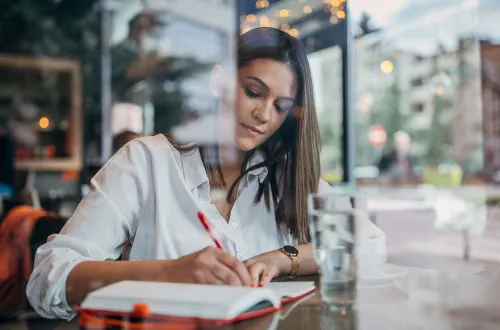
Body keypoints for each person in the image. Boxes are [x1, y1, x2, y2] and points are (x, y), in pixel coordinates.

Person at [27, 27, 385, 320]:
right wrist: (168, 273)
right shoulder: (147, 162)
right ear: (220, 81)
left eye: (280, 106)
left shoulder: (285, 178)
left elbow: (370, 241)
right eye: (253, 92)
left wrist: (282, 259)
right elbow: (48, 280)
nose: (263, 114)